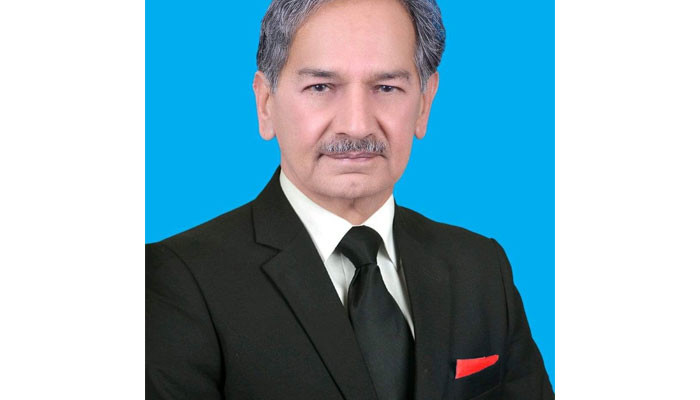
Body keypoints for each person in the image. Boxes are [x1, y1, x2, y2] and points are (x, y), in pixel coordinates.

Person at [146, 0, 554, 398]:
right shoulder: (176, 280)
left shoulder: (480, 268)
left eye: (387, 87)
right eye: (321, 87)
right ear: (266, 103)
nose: (356, 125)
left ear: (424, 103)